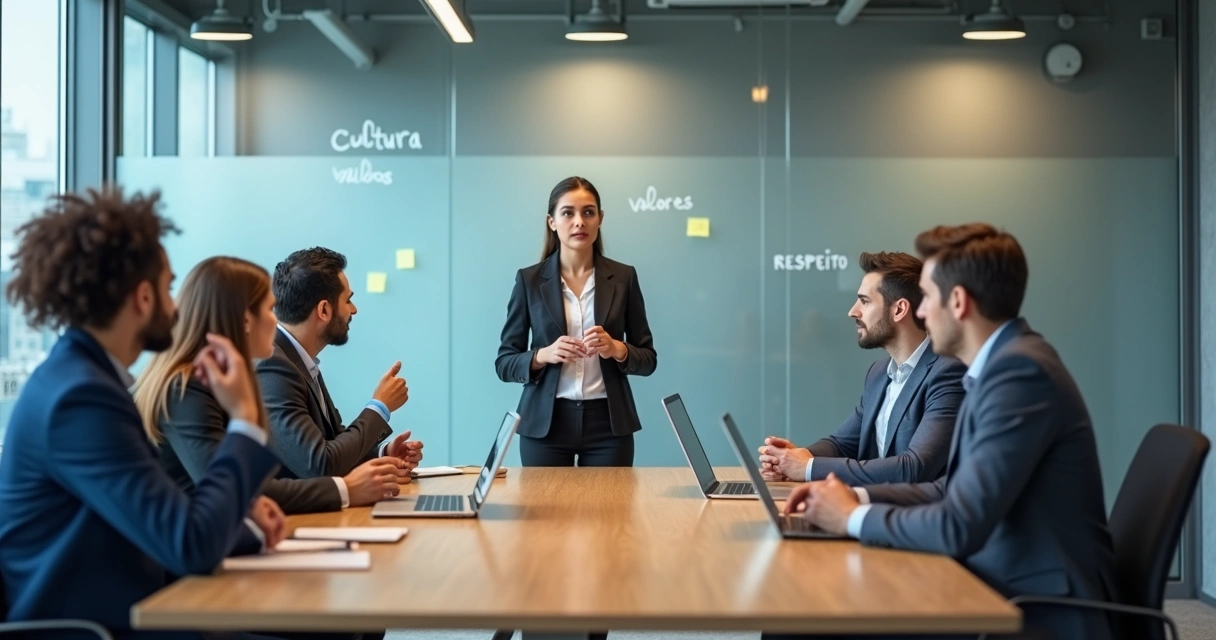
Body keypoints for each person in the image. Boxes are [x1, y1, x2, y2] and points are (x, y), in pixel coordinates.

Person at [781, 224, 1117, 640]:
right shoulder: (999, 367)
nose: (920, 312)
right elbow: (949, 489)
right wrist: (854, 496)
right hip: (997, 572)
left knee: (804, 621)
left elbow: (958, 524)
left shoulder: (1019, 374)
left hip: (1030, 598)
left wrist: (852, 517)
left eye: (929, 298)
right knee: (801, 615)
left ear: (957, 302)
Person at [0, 188, 284, 638]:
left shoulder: (83, 380)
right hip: (102, 628)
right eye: (169, 288)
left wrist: (245, 526)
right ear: (143, 297)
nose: (176, 306)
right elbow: (189, 544)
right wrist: (246, 421)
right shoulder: (80, 400)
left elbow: (156, 521)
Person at [133, 256, 409, 515]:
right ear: (244, 321)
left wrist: (377, 459)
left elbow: (255, 481)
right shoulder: (187, 388)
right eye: (268, 308)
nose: (276, 319)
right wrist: (345, 489)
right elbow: (236, 492)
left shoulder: (219, 382)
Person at [758, 251, 966, 485]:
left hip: (917, 516)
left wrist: (808, 467)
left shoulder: (948, 373)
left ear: (899, 310)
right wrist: (794, 458)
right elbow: (842, 444)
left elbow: (914, 468)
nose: (853, 311)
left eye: (865, 301)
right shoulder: (878, 373)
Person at [495, 176, 657, 467]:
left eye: (588, 212)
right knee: (545, 513)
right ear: (552, 222)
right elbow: (505, 363)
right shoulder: (529, 280)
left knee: (609, 513)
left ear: (600, 219)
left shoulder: (624, 278)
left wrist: (618, 349)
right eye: (568, 213)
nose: (579, 221)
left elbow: (648, 359)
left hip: (609, 426)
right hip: (545, 424)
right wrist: (543, 355)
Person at [257, 247, 423, 482]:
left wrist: (383, 454)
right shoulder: (273, 367)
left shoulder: (298, 359)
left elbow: (333, 441)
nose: (353, 309)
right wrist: (379, 407)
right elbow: (319, 464)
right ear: (324, 310)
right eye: (348, 300)